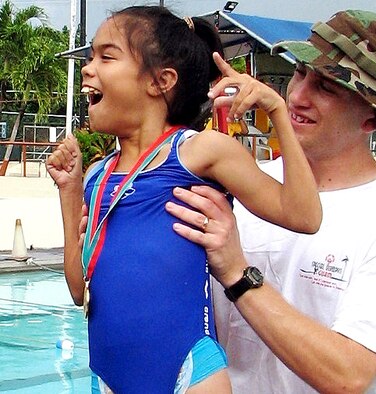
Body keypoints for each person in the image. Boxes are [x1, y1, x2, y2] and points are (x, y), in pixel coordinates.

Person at [165, 10, 376, 394]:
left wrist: (236, 272)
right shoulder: (247, 183)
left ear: (374, 119)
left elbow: (349, 374)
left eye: (327, 87)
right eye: (300, 73)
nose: (297, 96)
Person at [46, 5, 321, 394]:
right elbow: (79, 289)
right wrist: (69, 191)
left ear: (161, 80)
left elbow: (304, 216)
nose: (89, 68)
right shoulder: (96, 177)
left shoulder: (198, 152)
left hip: (191, 376)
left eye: (106, 57)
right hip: (107, 379)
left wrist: (276, 110)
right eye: (91, 57)